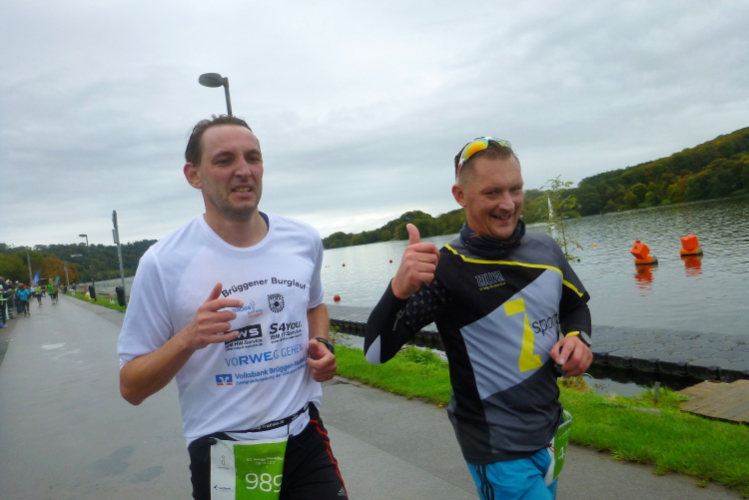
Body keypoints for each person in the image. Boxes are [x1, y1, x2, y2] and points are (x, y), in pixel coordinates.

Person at [117, 115, 347, 500]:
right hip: (225, 452)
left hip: (304, 433)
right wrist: (188, 338)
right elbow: (131, 386)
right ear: (194, 175)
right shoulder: (163, 262)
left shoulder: (303, 239)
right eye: (225, 160)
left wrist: (322, 343)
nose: (244, 170)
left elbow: (314, 305)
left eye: (252, 158)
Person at [364, 137, 593, 500]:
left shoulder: (545, 248)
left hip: (550, 431)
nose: (508, 204)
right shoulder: (447, 269)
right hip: (498, 448)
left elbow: (575, 306)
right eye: (492, 192)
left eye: (515, 189)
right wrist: (399, 289)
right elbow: (376, 352)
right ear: (461, 195)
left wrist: (578, 338)